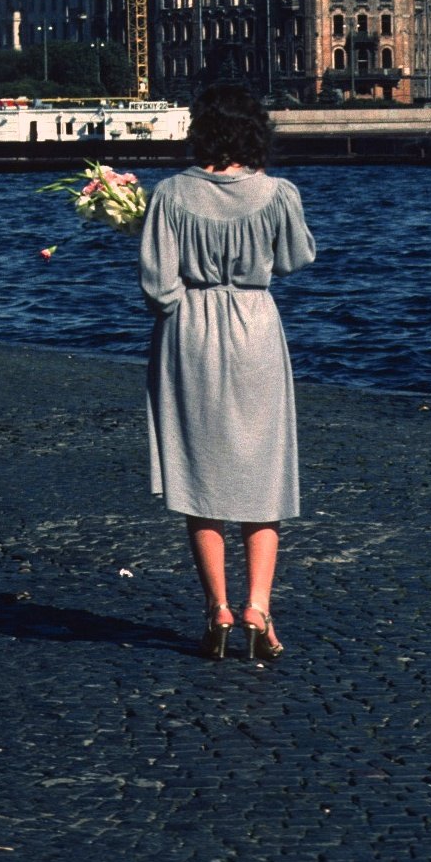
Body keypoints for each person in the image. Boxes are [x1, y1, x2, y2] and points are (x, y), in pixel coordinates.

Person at [140, 84, 317, 660]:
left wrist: (188, 301)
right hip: (255, 329)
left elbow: (157, 287)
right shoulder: (277, 193)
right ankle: (257, 608)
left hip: (190, 332)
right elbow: (294, 260)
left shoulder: (169, 194)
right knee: (264, 478)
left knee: (199, 475)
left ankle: (216, 606)